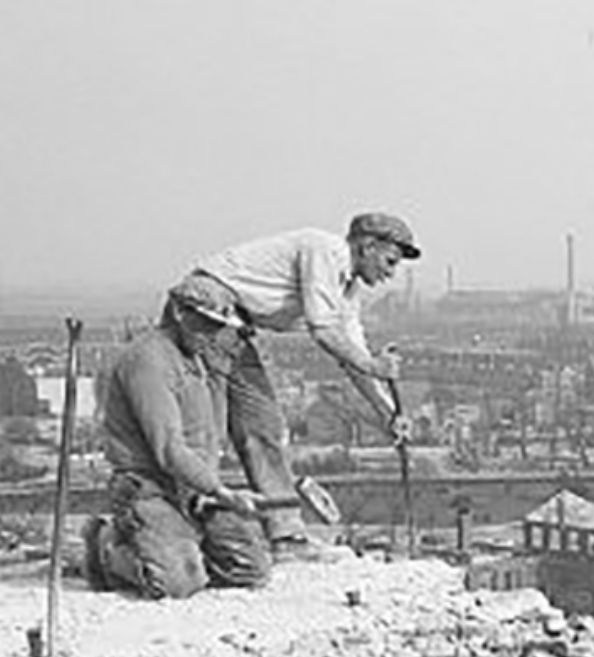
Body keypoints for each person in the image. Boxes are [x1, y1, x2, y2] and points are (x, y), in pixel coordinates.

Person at [180, 213, 420, 544]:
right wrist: (375, 365)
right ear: (367, 246)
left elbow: (352, 357)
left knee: (264, 426)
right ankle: (182, 526)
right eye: (389, 261)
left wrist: (388, 412)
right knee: (207, 427)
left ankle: (285, 533)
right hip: (207, 306)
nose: (391, 273)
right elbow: (323, 331)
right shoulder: (323, 250)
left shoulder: (347, 290)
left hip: (234, 324)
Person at [84, 275, 271, 599]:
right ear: (181, 313)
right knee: (178, 584)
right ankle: (107, 547)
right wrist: (221, 492)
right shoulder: (149, 360)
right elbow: (168, 449)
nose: (214, 334)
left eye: (219, 327)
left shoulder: (199, 360)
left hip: (193, 489)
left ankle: (180, 544)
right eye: (207, 324)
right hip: (148, 486)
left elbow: (208, 435)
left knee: (250, 569)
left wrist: (209, 492)